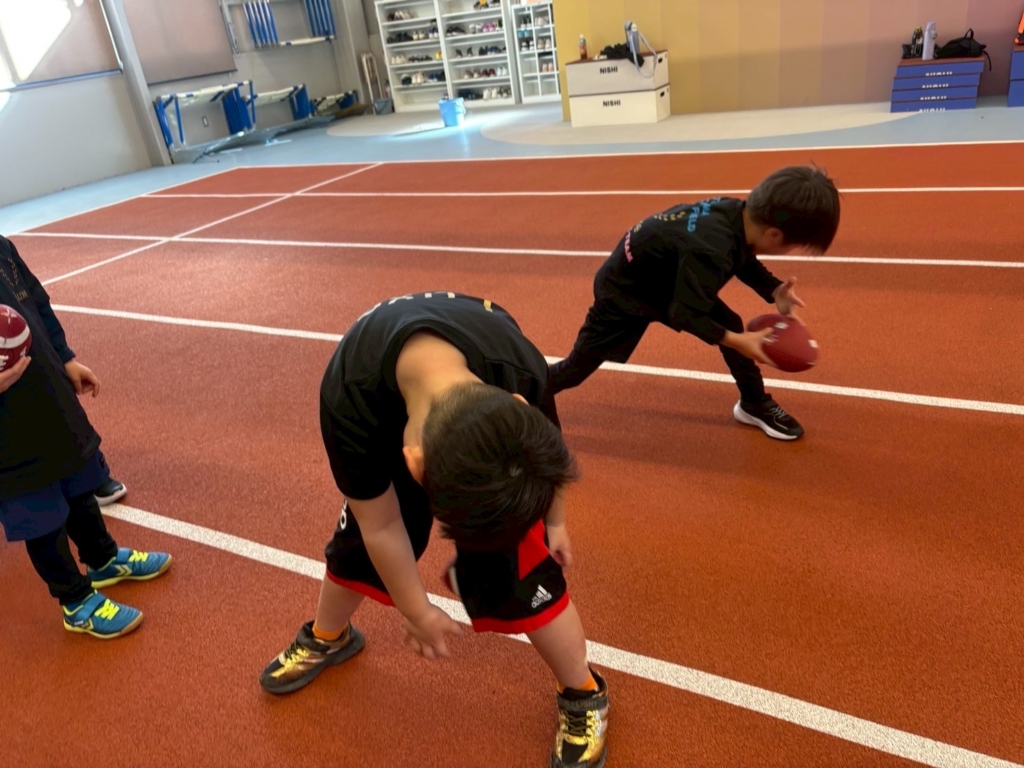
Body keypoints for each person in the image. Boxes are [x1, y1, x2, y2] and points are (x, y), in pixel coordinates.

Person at [260, 291, 609, 768]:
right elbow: (381, 525)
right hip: (383, 418)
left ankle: (584, 692)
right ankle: (329, 635)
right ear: (413, 464)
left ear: (518, 406)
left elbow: (551, 455)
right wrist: (415, 610)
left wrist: (555, 522)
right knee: (356, 548)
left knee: (527, 570)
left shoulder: (519, 368)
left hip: (462, 424)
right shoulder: (348, 400)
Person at [548, 165, 841, 441]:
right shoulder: (711, 249)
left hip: (663, 276)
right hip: (624, 293)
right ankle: (526, 392)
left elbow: (742, 256)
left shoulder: (735, 213)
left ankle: (754, 402)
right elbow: (685, 314)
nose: (790, 251)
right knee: (576, 370)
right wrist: (737, 342)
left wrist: (774, 289)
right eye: (792, 246)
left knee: (730, 323)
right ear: (774, 234)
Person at [0, 235, 171, 639]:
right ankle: (75, 601)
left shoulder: (3, 249)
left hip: (48, 394)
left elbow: (37, 304)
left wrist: (65, 357)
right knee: (39, 514)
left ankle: (103, 559)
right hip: (8, 433)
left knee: (78, 486)